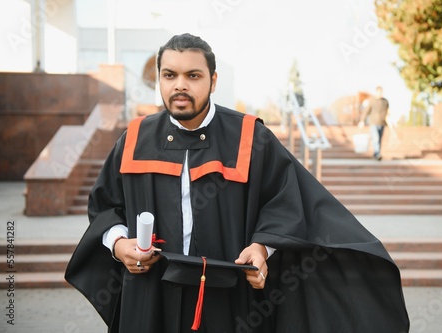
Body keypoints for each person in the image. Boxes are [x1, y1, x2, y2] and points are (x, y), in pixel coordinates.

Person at [65, 33, 409, 332]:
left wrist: (263, 248)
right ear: (159, 79)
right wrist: (118, 243)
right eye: (169, 75)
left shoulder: (250, 136)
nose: (179, 84)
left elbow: (286, 200)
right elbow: (105, 205)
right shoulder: (136, 138)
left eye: (193, 75)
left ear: (213, 81)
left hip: (227, 296)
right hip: (151, 291)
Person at [358, 86, 389, 160]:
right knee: (376, 138)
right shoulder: (372, 101)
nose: (380, 93)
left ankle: (376, 153)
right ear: (376, 92)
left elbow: (388, 112)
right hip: (373, 123)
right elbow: (366, 111)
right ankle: (378, 153)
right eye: (379, 92)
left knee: (379, 139)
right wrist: (362, 120)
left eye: (381, 92)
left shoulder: (385, 101)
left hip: (382, 123)